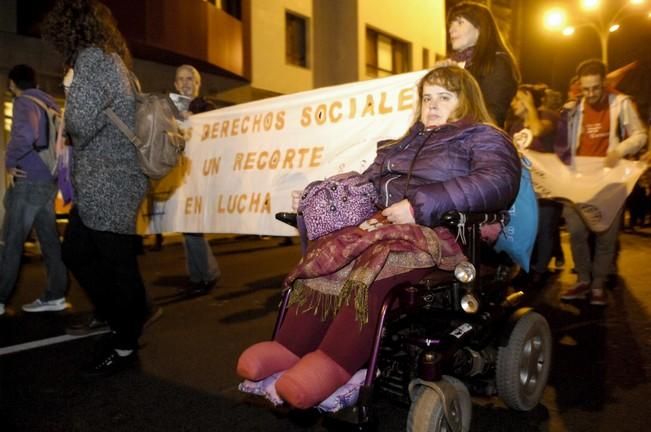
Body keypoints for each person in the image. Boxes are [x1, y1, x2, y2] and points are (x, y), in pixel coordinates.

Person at [236, 65, 521, 409]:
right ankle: (288, 348)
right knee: (328, 258)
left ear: (466, 101)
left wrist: (417, 208)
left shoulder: (483, 136)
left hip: (442, 232)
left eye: (444, 97)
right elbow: (368, 184)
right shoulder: (401, 144)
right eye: (427, 97)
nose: (432, 104)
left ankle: (336, 363)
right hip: (386, 226)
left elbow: (497, 182)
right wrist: (320, 195)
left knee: (377, 266)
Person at [42, 0, 149, 375]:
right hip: (110, 180)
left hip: (110, 181)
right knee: (86, 253)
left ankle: (124, 340)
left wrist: (69, 96)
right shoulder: (112, 59)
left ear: (71, 30)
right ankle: (128, 314)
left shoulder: (93, 60)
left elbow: (82, 124)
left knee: (107, 259)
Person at [558, 59, 647, 306]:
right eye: (586, 89)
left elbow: (640, 135)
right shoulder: (575, 108)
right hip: (578, 181)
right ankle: (583, 279)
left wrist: (619, 150)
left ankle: (598, 285)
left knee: (606, 235)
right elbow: (564, 143)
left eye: (595, 88)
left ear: (604, 83)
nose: (590, 94)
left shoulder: (621, 103)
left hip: (609, 181)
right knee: (576, 232)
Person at [0, 65, 69, 316]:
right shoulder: (50, 104)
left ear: (12, 83)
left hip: (28, 180)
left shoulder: (23, 102)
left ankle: (0, 296)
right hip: (48, 180)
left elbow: (26, 134)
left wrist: (10, 161)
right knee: (49, 242)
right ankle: (56, 295)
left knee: (10, 241)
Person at [171, 65, 221, 295]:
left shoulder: (206, 107)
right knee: (186, 227)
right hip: (180, 175)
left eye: (189, 78)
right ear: (175, 84)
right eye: (180, 79)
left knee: (192, 227)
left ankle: (205, 275)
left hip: (200, 175)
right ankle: (198, 275)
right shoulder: (169, 109)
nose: (185, 83)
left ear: (197, 83)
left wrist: (197, 121)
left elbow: (218, 135)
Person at [507, 84, 563, 286]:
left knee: (545, 228)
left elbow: (538, 130)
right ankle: (526, 268)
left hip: (547, 188)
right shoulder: (514, 125)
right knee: (526, 229)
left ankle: (540, 271)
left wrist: (531, 106)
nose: (513, 103)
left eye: (517, 99)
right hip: (524, 189)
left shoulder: (548, 116)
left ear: (527, 100)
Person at [446, 1, 520, 128]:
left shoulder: (497, 63)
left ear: (479, 28)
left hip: (477, 144)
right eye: (451, 24)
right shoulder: (456, 64)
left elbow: (492, 118)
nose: (451, 29)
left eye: (459, 22)